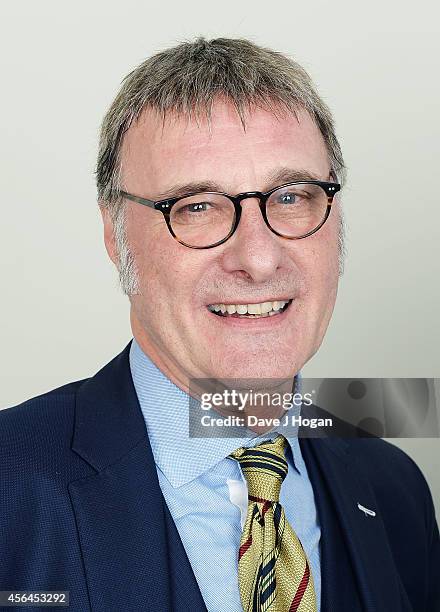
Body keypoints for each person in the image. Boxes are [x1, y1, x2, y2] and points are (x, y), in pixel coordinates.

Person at [0, 37, 438, 612]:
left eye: (290, 197)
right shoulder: (10, 486)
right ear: (116, 236)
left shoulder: (394, 487)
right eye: (197, 207)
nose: (257, 259)